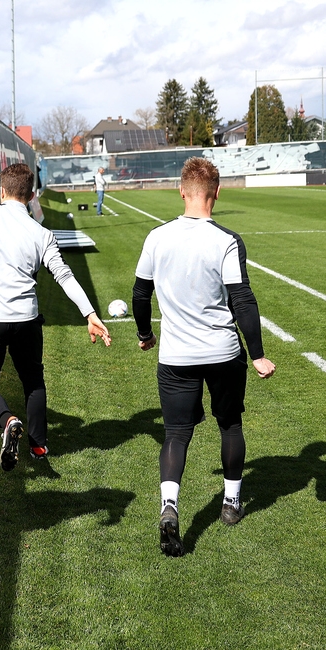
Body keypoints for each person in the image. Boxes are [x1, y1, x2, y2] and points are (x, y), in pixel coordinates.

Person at [132, 156, 275, 558]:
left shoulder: (157, 237)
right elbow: (242, 299)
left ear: (182, 191)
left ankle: (170, 507)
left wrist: (145, 334)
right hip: (223, 353)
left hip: (176, 355)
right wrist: (258, 354)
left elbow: (140, 295)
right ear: (217, 192)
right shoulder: (226, 240)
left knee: (176, 433)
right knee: (229, 423)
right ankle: (231, 504)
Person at [0, 163, 111, 471]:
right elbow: (64, 275)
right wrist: (90, 313)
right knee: (33, 382)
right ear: (32, 195)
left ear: (1, 191)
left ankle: (7, 420)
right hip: (26, 320)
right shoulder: (42, 233)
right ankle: (38, 445)